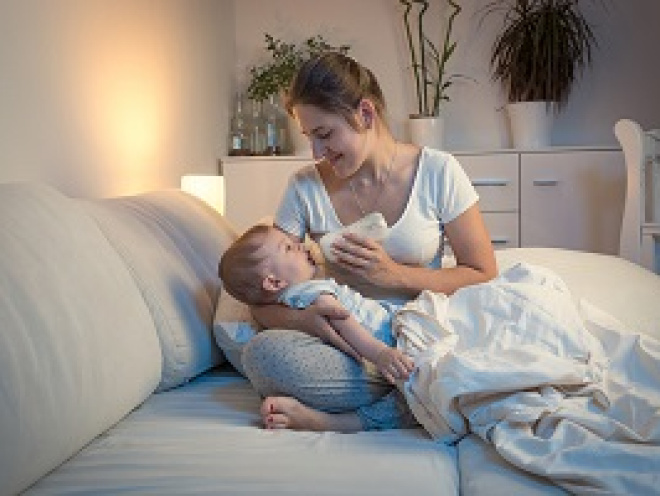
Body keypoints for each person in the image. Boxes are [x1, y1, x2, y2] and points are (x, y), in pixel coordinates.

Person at [240, 51, 497, 432]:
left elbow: (483, 273)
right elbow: (263, 301)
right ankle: (422, 394)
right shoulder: (303, 187)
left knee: (471, 353)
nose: (317, 153)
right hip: (347, 348)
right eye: (310, 139)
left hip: (418, 335)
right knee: (262, 355)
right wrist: (307, 320)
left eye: (325, 135)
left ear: (364, 113)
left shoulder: (438, 171)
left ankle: (358, 411)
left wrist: (395, 276)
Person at [219, 224, 415, 389]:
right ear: (274, 282)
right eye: (288, 248)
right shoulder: (310, 291)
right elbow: (342, 319)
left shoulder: (290, 300)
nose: (301, 245)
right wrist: (380, 354)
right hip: (390, 333)